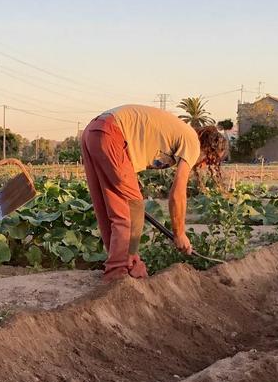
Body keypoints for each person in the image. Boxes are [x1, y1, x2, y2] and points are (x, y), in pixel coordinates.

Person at [80, 104, 201, 282]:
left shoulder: (177, 134)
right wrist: (180, 233)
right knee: (133, 208)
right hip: (111, 133)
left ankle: (126, 264)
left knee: (110, 206)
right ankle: (118, 273)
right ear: (211, 152)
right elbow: (177, 193)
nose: (203, 166)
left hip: (93, 132)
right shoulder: (193, 142)